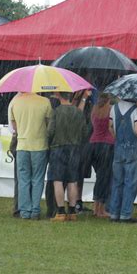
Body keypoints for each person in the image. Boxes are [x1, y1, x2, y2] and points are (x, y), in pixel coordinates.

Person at [9, 92, 52, 220]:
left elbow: (14, 126)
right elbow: (49, 123)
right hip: (40, 146)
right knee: (37, 179)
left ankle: (24, 211)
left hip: (22, 145)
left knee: (23, 180)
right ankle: (35, 210)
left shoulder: (15, 102)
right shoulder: (45, 102)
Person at [47, 92, 88, 222]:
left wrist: (50, 142)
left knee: (57, 180)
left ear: (59, 96)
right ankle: (72, 212)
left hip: (58, 148)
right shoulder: (79, 113)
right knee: (72, 181)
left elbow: (50, 132)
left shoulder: (56, 112)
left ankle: (60, 212)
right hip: (75, 148)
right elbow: (85, 132)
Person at [108, 99, 137, 223]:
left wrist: (118, 139)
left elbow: (110, 127)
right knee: (130, 183)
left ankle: (114, 213)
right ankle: (125, 214)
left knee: (117, 182)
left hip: (118, 148)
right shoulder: (136, 110)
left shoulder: (114, 108)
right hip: (133, 149)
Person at [88, 93, 115, 217]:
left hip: (93, 144)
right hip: (106, 145)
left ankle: (95, 207)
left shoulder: (94, 109)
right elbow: (111, 127)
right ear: (109, 99)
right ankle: (101, 209)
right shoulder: (110, 110)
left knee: (100, 177)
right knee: (104, 178)